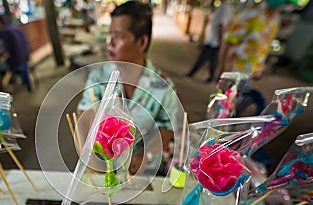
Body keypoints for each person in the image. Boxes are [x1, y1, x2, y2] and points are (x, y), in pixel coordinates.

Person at [77, 1, 179, 175]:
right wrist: (93, 159)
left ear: (141, 42)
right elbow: (84, 117)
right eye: (109, 34)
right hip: (104, 167)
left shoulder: (162, 86)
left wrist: (146, 154)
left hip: (141, 171)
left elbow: (167, 127)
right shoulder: (99, 78)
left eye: (118, 36)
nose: (110, 42)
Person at [215, 0, 290, 80]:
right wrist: (221, 68)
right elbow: (230, 43)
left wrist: (259, 68)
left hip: (249, 74)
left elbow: (264, 46)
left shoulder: (275, 20)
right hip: (233, 71)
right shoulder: (251, 13)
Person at [186, 1, 234, 83]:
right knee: (212, 60)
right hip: (214, 40)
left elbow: (222, 25)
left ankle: (193, 74)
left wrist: (221, 41)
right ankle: (211, 77)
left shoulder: (225, 8)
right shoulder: (223, 7)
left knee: (204, 58)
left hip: (215, 40)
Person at [0, 14, 32, 91]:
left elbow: (8, 48)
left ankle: (9, 85)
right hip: (25, 56)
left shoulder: (6, 31)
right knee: (22, 68)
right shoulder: (15, 28)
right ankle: (26, 85)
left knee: (2, 66)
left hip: (17, 59)